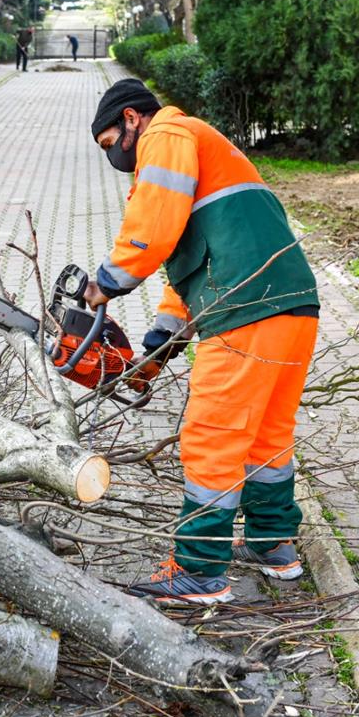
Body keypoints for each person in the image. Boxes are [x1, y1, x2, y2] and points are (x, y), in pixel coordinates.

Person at [83, 78, 320, 605]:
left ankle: (199, 571)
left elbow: (152, 228)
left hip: (243, 308)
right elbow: (190, 262)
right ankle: (273, 545)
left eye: (110, 144)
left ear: (130, 119)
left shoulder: (166, 133)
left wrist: (106, 281)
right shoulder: (203, 145)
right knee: (266, 435)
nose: (115, 157)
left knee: (211, 435)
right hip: (292, 301)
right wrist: (160, 343)